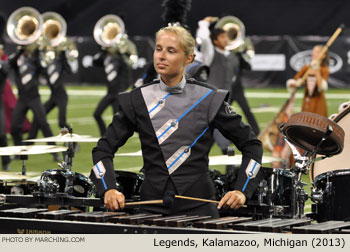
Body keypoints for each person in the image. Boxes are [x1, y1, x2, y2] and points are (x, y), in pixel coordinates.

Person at [90, 26, 263, 218]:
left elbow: (252, 145)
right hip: (151, 209)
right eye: (158, 49)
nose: (161, 56)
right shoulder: (137, 99)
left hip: (200, 209)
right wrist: (108, 188)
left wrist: (241, 190)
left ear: (188, 58)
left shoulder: (208, 98)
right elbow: (102, 149)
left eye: (171, 51)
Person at [196, 17, 260, 157]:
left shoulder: (233, 57)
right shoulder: (210, 54)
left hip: (223, 100)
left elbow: (234, 77)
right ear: (215, 41)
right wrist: (204, 23)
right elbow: (204, 38)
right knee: (210, 131)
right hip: (210, 100)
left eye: (226, 36)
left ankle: (226, 158)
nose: (226, 39)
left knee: (218, 131)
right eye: (222, 37)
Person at [27, 38, 78, 140]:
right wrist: (37, 51)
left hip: (62, 96)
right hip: (53, 97)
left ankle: (73, 142)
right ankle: (30, 141)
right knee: (38, 118)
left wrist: (63, 55)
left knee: (61, 122)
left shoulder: (60, 63)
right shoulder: (45, 66)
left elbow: (69, 70)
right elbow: (38, 67)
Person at [8, 44, 56, 149]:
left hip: (34, 98)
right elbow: (9, 63)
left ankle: (54, 151)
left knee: (43, 124)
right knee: (14, 127)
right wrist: (20, 52)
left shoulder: (34, 59)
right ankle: (19, 150)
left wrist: (37, 53)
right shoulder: (17, 59)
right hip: (22, 99)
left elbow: (43, 70)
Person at [92, 45, 133, 136]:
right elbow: (94, 62)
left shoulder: (120, 59)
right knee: (96, 114)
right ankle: (104, 135)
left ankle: (116, 139)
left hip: (118, 94)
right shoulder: (106, 59)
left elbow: (127, 67)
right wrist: (103, 51)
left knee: (117, 119)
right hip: (110, 93)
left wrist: (120, 52)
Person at [287, 45, 329, 117]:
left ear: (323, 55)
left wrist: (317, 70)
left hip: (318, 102)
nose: (314, 54)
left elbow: (321, 87)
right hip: (306, 100)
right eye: (314, 51)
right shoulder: (306, 67)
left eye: (317, 52)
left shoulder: (324, 69)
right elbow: (292, 83)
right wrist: (297, 83)